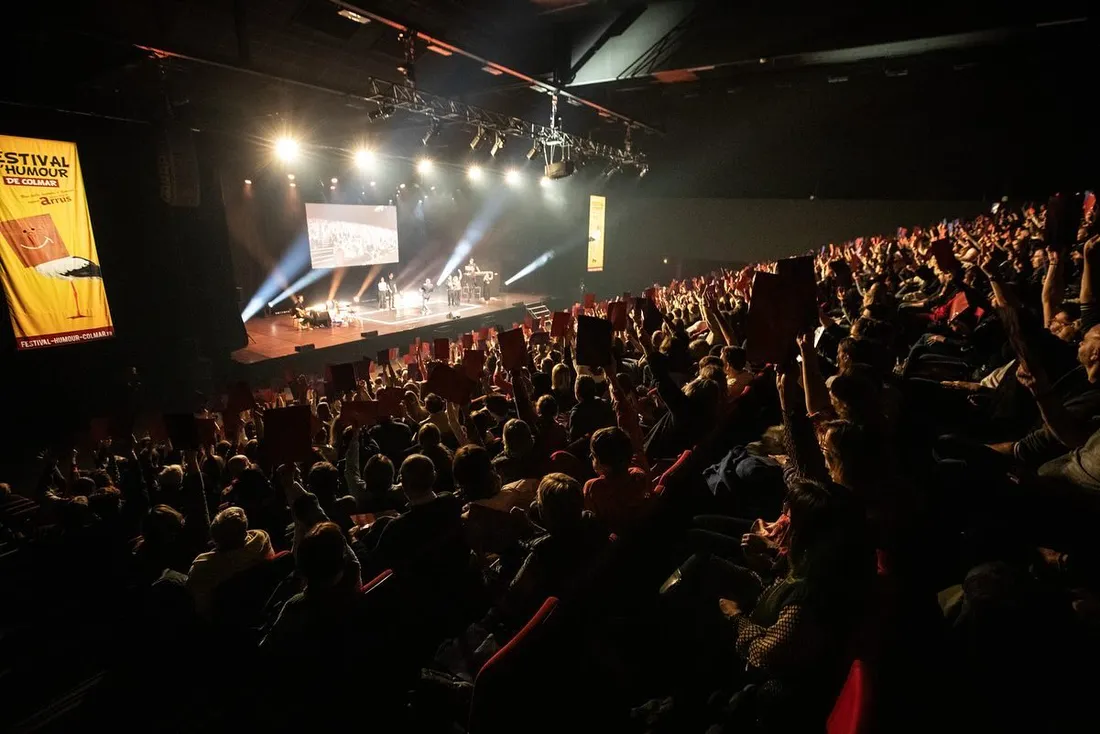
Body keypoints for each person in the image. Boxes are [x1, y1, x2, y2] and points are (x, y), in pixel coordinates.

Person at [185, 506, 274, 619]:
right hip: (261, 606)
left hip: (224, 620)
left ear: (215, 538)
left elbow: (199, 606)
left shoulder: (203, 567)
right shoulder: (262, 541)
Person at [584, 426, 651, 534]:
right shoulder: (639, 476)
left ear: (604, 464)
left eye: (593, 456)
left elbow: (592, 520)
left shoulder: (594, 487)